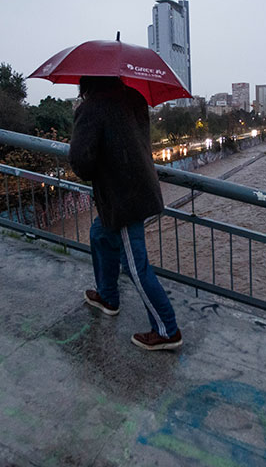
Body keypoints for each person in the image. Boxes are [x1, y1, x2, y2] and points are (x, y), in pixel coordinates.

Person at [69, 76, 182, 351]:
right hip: (140, 187)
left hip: (123, 199)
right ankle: (108, 296)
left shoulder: (91, 108)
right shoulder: (135, 99)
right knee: (99, 233)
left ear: (87, 83)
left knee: (135, 265)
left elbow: (81, 164)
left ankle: (167, 330)